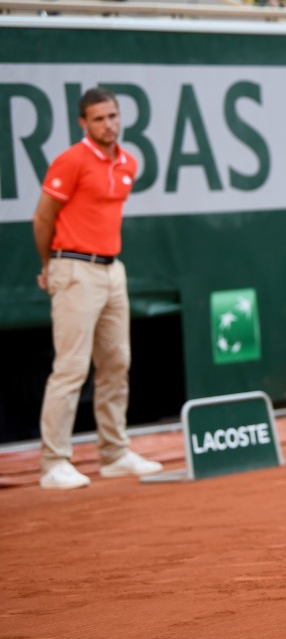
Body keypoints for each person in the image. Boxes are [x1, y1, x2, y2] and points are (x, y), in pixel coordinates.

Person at [32, 88, 164, 490]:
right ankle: (54, 463)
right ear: (83, 123)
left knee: (117, 362)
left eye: (113, 116)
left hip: (113, 272)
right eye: (99, 118)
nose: (109, 124)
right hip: (73, 269)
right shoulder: (71, 161)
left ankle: (114, 454)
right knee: (71, 368)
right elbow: (42, 217)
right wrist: (49, 265)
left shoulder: (129, 162)